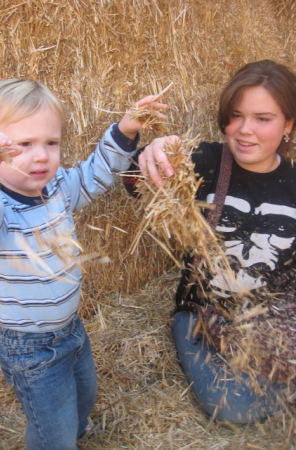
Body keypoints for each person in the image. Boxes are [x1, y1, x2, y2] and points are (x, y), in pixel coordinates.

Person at [0, 78, 167, 449]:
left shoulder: (56, 189)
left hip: (71, 330)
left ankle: (75, 431)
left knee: (84, 399)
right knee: (53, 431)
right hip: (30, 348)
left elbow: (96, 173)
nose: (41, 156)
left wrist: (125, 129)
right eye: (23, 145)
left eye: (51, 143)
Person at [125, 60, 296, 424]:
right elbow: (136, 181)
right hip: (204, 314)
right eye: (236, 115)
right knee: (233, 408)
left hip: (271, 315)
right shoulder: (208, 163)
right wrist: (157, 150)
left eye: (263, 118)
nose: (245, 130)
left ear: (288, 125)